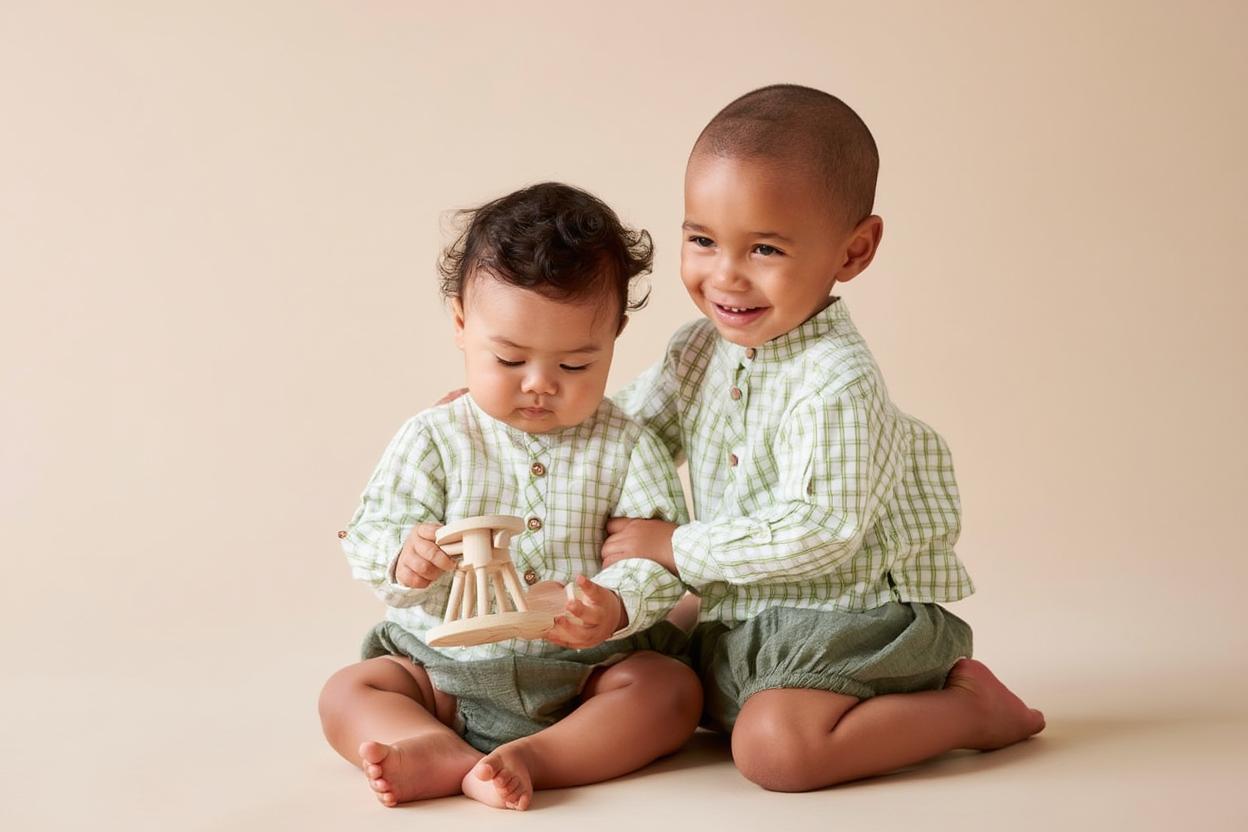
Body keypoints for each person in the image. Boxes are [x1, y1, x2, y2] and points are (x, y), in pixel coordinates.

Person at [604, 84, 1046, 792]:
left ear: (855, 250)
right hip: (746, 601)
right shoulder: (699, 349)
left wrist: (674, 546)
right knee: (621, 638)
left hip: (848, 614)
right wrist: (513, 415)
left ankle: (968, 711)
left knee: (777, 751)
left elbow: (823, 530)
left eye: (766, 248)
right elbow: (620, 435)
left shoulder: (837, 380)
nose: (725, 276)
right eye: (702, 240)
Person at [320, 182, 700, 811]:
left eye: (576, 365)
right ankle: (431, 743)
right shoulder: (436, 437)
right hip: (442, 668)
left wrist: (616, 603)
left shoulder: (628, 447)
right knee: (349, 691)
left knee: (670, 692)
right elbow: (373, 529)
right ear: (463, 325)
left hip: (586, 674)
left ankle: (539, 757)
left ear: (615, 334)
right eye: (509, 359)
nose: (540, 386)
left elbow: (660, 562)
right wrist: (402, 558)